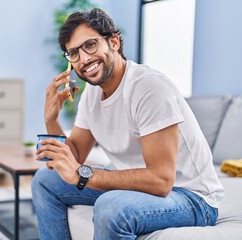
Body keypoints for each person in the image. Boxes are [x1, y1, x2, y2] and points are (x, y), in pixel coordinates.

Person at [32, 8, 224, 240]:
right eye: (73, 53)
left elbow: (161, 180)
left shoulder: (149, 88)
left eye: (90, 45)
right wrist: (51, 119)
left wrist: (82, 174)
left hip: (192, 197)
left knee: (111, 206)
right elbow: (75, 157)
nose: (83, 59)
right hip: (139, 188)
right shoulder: (91, 96)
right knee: (45, 181)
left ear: (113, 41)